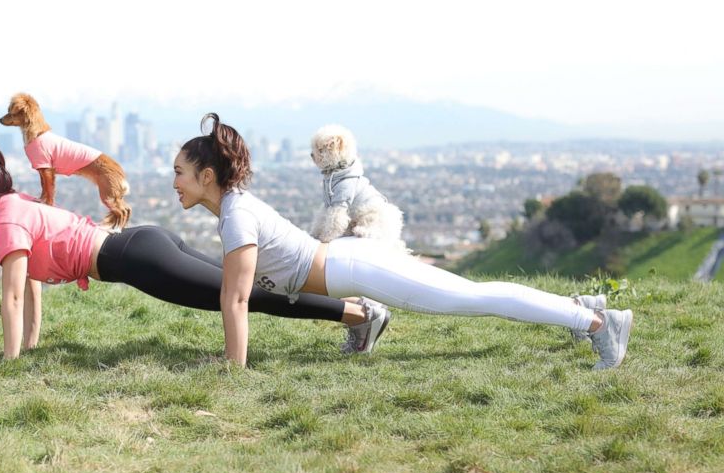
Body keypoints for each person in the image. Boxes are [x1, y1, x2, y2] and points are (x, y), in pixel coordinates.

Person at [173, 113, 633, 370]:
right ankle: (582, 307)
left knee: (473, 298)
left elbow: (235, 300)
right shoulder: (237, 206)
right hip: (349, 263)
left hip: (357, 267)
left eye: (180, 173)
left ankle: (596, 324)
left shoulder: (236, 216)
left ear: (206, 176)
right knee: (472, 295)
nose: (174, 182)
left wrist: (233, 371)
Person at [0, 141, 390, 362]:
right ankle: (358, 311)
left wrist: (9, 361)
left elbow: (14, 296)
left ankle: (360, 314)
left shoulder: (5, 219)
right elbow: (30, 286)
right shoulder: (13, 207)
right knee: (244, 290)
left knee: (243, 296)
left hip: (138, 260)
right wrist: (27, 347)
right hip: (142, 244)